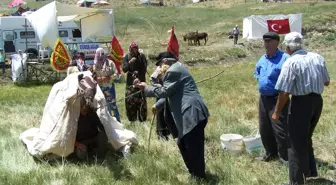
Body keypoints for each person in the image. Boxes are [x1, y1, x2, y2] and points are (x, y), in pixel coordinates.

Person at [136, 57, 210, 180]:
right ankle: (194, 172)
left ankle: (200, 177)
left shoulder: (173, 71)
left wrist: (146, 87)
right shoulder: (177, 69)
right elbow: (168, 93)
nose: (159, 69)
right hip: (191, 114)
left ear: (166, 63)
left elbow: (164, 92)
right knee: (182, 143)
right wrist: (156, 104)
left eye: (160, 66)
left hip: (191, 114)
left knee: (194, 149)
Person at [272, 32, 330, 185]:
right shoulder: (317, 57)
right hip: (317, 102)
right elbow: (327, 82)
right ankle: (310, 173)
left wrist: (276, 112)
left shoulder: (291, 62)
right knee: (306, 137)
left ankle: (296, 181)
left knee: (295, 142)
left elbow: (284, 92)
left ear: (288, 48)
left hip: (301, 103)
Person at [254, 32, 290, 163]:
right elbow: (257, 72)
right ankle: (270, 153)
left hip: (278, 99)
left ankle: (285, 158)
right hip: (263, 99)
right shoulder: (262, 59)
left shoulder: (284, 58)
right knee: (265, 128)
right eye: (265, 41)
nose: (266, 44)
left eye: (269, 41)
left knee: (280, 129)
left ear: (277, 43)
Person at [150, 52, 178, 140]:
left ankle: (174, 133)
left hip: (172, 96)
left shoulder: (175, 68)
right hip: (162, 94)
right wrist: (161, 88)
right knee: (161, 114)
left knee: (172, 114)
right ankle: (162, 134)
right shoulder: (159, 69)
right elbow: (152, 79)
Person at [122, 42, 148, 122]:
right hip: (130, 83)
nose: (134, 50)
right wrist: (130, 62)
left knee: (142, 101)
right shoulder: (127, 57)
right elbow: (124, 69)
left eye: (136, 48)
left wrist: (139, 75)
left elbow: (145, 68)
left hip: (140, 82)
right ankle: (132, 119)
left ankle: (142, 119)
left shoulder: (141, 56)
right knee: (130, 101)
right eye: (133, 48)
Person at [93, 48, 121, 122]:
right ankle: (107, 125)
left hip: (109, 88)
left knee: (112, 106)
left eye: (102, 54)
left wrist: (108, 78)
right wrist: (96, 79)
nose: (100, 56)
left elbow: (117, 74)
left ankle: (117, 123)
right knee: (102, 107)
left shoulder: (110, 63)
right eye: (98, 54)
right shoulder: (95, 64)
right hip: (99, 89)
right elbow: (92, 76)